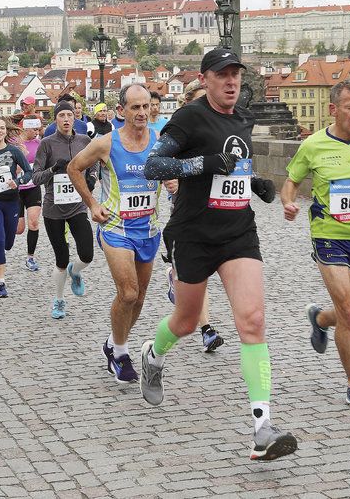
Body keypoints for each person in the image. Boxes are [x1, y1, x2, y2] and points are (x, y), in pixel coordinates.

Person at [140, 48, 296, 461]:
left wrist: (257, 183)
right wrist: (206, 164)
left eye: (236, 75)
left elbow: (235, 166)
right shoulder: (189, 117)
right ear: (205, 79)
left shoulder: (244, 116)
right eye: (223, 75)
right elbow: (154, 167)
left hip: (237, 230)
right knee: (187, 321)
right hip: (192, 233)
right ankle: (153, 355)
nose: (231, 82)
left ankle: (262, 427)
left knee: (253, 320)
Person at [281, 79, 350, 412]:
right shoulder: (313, 145)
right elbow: (290, 183)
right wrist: (288, 203)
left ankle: (320, 319)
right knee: (349, 309)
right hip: (329, 236)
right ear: (333, 110)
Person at [68, 84, 171, 383]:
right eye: (135, 107)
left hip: (148, 229)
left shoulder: (160, 140)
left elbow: (172, 171)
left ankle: (112, 343)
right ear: (121, 111)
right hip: (115, 228)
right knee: (127, 292)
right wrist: (92, 204)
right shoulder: (105, 143)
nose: (142, 113)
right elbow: (74, 168)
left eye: (146, 107)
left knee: (138, 299)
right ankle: (121, 354)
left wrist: (174, 181)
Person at [164, 78, 226, 353]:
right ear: (188, 102)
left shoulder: (222, 126)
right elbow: (158, 163)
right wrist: (173, 178)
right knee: (197, 276)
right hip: (185, 207)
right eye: (202, 101)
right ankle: (207, 330)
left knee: (203, 276)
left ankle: (175, 278)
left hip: (215, 208)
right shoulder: (179, 127)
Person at [30, 101, 95, 319]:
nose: (66, 119)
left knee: (87, 254)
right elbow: (36, 177)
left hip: (78, 205)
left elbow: (94, 163)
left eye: (70, 115)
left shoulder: (84, 141)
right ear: (55, 119)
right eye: (62, 116)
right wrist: (53, 169)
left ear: (75, 118)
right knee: (61, 258)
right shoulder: (47, 144)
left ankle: (75, 272)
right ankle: (59, 300)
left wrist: (92, 178)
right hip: (53, 208)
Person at [0, 117, 32, 298]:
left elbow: (29, 172)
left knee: (9, 241)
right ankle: (1, 283)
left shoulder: (13, 151)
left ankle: (5, 249)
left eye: (2, 128)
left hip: (12, 201)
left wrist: (18, 182)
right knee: (0, 239)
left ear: (6, 131)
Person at [16, 114, 44, 271]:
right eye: (34, 129)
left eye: (38, 129)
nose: (37, 132)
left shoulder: (39, 144)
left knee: (34, 222)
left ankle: (30, 257)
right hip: (17, 189)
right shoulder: (15, 144)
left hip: (33, 187)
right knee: (18, 229)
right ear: (26, 128)